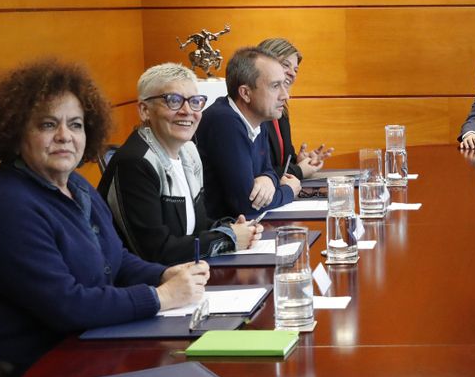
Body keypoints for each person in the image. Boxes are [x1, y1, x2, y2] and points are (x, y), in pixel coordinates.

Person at [0, 60, 208, 377]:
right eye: (47, 125)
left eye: (75, 125)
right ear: (14, 132)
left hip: (85, 353)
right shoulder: (6, 206)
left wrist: (162, 274)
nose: (65, 137)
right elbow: (68, 306)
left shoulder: (76, 187)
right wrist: (159, 297)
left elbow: (115, 258)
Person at [99, 63, 262, 265]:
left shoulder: (189, 152)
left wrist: (234, 227)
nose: (187, 111)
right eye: (173, 101)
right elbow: (154, 252)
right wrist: (227, 238)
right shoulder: (134, 163)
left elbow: (197, 225)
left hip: (188, 275)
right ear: (144, 110)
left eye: (195, 102)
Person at [195, 46, 301, 218]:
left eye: (284, 85)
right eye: (275, 86)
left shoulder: (258, 118)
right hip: (220, 234)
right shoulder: (224, 121)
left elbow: (269, 170)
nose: (285, 95)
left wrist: (268, 179)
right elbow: (247, 205)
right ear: (245, 93)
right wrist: (289, 190)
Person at [256, 38, 334, 180]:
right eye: (286, 65)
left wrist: (299, 161)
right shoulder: (256, 109)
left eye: (296, 69)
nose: (293, 74)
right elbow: (259, 173)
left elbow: (283, 164)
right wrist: (298, 170)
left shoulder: (281, 110)